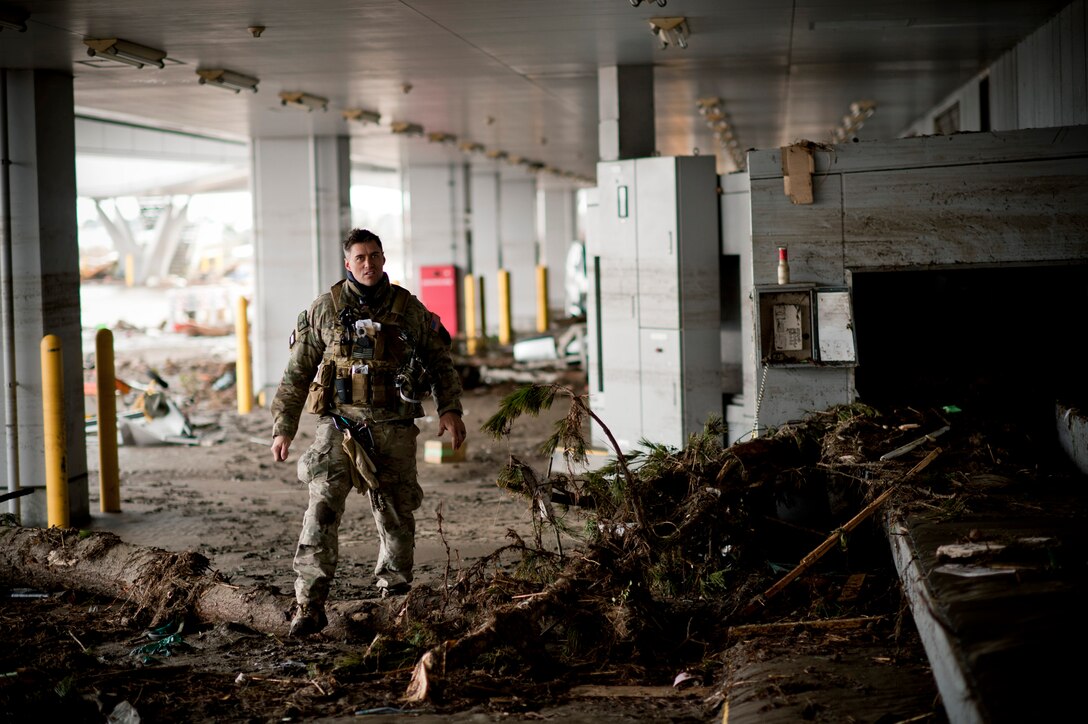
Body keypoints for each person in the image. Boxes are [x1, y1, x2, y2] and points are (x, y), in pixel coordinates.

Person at [270, 228, 466, 637]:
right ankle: (308, 603)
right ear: (348, 262)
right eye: (360, 257)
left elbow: (438, 360)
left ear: (383, 258)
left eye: (375, 256)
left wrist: (449, 409)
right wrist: (283, 427)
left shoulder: (406, 308)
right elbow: (297, 373)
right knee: (322, 508)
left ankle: (393, 597)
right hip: (339, 426)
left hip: (392, 426)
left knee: (395, 514)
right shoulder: (324, 309)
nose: (368, 264)